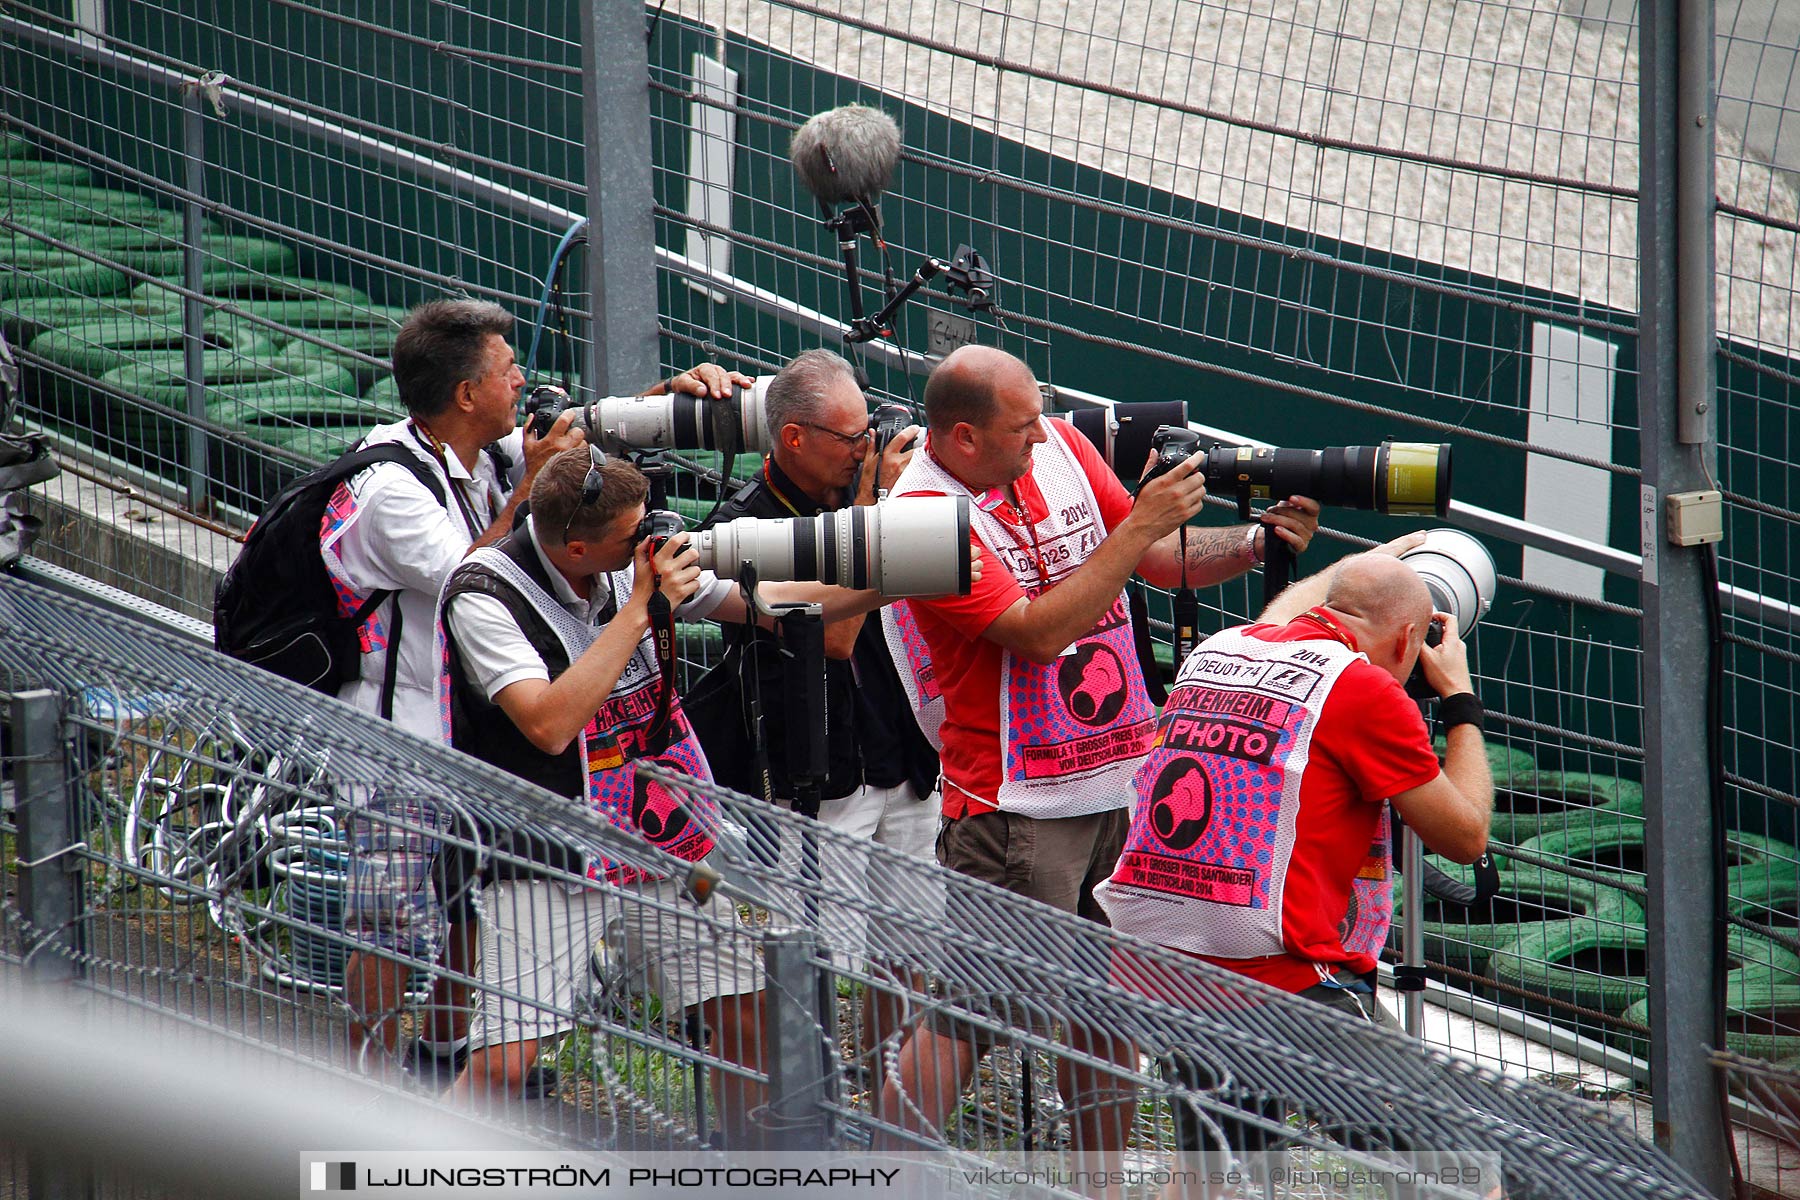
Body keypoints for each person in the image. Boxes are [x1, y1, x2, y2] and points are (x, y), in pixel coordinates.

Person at [875, 344, 1320, 1172]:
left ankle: (1099, 1190)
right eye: (1021, 427)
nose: (1044, 437)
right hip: (1016, 810)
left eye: (1041, 417)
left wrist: (1254, 546)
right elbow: (1039, 632)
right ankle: (884, 1177)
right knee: (974, 1012)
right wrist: (1144, 522)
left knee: (1108, 1010)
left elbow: (1156, 559)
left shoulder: (1060, 448)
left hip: (1118, 786)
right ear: (964, 438)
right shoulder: (920, 518)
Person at [436, 448, 936, 1138]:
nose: (652, 542)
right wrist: (641, 608)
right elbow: (548, 724)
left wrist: (911, 570)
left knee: (744, 1015)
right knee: (506, 1062)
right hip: (550, 854)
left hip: (657, 843)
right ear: (578, 546)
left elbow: (784, 609)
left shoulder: (632, 567)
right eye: (630, 536)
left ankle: (746, 1174)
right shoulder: (484, 596)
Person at [323, 296, 745, 1086]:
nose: (522, 379)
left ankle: (445, 1052)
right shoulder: (394, 489)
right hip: (402, 733)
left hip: (478, 730)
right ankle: (365, 1087)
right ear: (465, 395)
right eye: (506, 369)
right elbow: (479, 578)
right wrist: (536, 492)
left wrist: (662, 406)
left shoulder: (484, 451)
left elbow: (582, 474)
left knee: (468, 912)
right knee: (385, 917)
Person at [1093, 542, 1493, 1186]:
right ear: (1408, 640)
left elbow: (1289, 615)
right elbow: (1467, 837)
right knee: (1461, 1168)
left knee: (1215, 1173)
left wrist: (1373, 561)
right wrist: (1460, 701)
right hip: (1278, 982)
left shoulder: (1220, 649)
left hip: (1160, 963)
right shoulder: (1363, 692)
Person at [693, 348, 937, 1092]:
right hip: (818, 776)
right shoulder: (745, 527)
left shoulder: (876, 497)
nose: (865, 450)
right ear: (793, 438)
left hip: (904, 754)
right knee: (822, 951)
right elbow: (830, 637)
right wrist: (874, 517)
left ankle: (885, 1085)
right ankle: (810, 1094)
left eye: (868, 433)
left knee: (911, 942)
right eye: (849, 438)